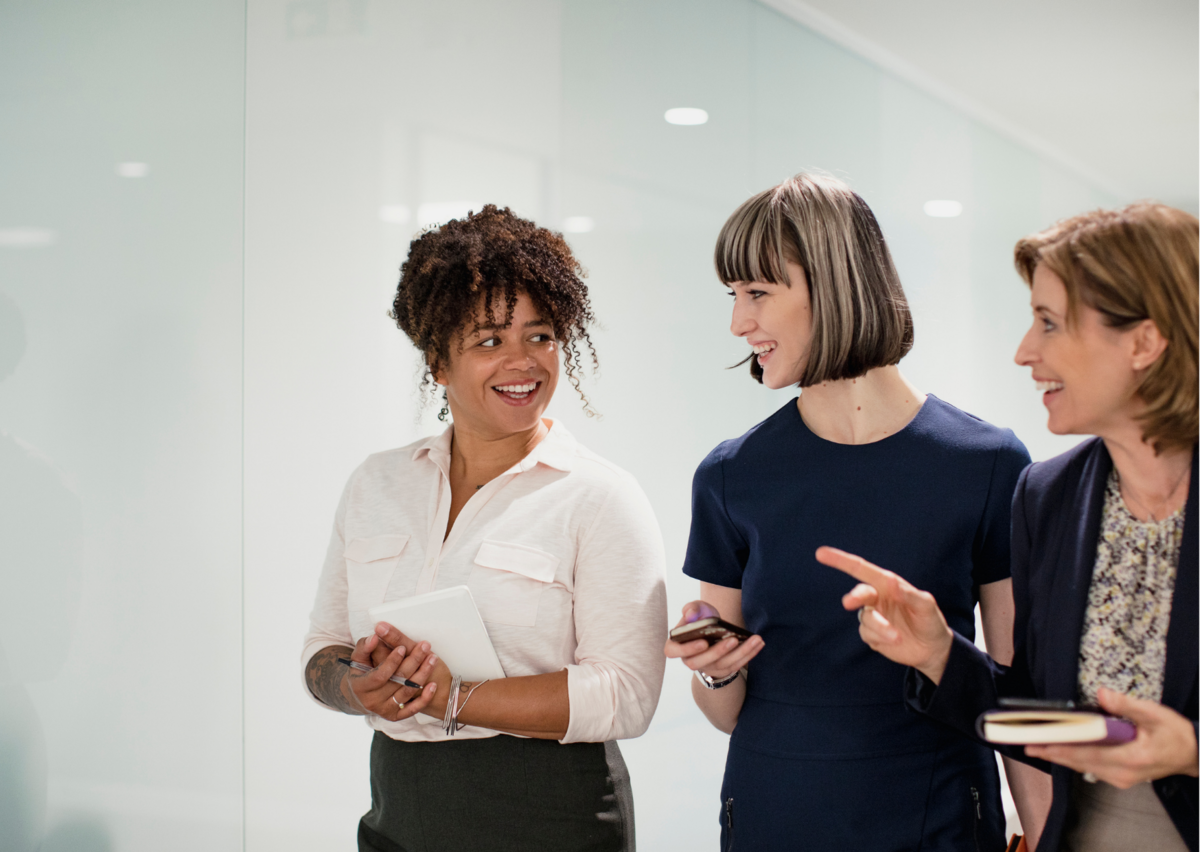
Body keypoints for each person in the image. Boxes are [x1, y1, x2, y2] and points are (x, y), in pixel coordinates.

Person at [664, 173, 1051, 851]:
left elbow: (1017, 695)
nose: (738, 322)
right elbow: (725, 712)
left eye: (757, 292)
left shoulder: (988, 463)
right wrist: (715, 666)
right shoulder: (730, 475)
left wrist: (1046, 836)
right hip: (775, 810)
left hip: (939, 815)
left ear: (834, 281)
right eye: (734, 296)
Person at [821, 202, 1198, 851]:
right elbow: (1038, 713)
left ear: (1144, 339)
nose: (1025, 352)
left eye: (1050, 323)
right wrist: (940, 652)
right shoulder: (1048, 495)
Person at [301, 205, 668, 852]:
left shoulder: (600, 497)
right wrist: (358, 687)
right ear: (438, 364)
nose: (522, 362)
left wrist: (455, 696)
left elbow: (627, 695)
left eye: (541, 336)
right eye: (489, 341)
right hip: (396, 810)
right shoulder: (376, 484)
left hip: (550, 815)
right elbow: (323, 650)